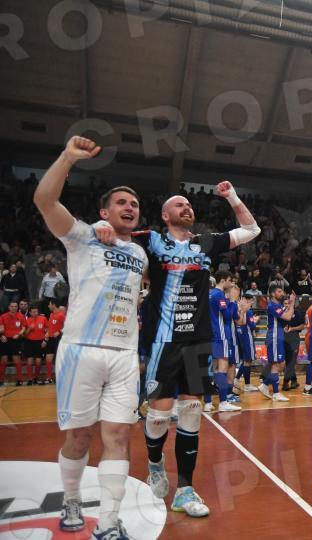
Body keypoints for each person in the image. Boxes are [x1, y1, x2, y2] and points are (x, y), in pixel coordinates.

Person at [34, 135, 148, 538]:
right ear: (104, 211)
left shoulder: (139, 254)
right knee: (79, 437)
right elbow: (45, 200)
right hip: (81, 350)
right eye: (121, 203)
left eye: (134, 204)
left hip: (123, 354)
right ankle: (71, 500)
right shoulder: (82, 235)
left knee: (118, 434)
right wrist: (68, 157)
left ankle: (110, 521)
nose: (130, 207)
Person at [129, 179, 259, 518]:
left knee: (190, 412)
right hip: (163, 340)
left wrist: (232, 196)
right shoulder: (150, 240)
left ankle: (185, 489)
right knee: (158, 415)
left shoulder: (205, 242)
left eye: (188, 205)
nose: (186, 207)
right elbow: (112, 234)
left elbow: (251, 230)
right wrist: (105, 229)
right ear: (164, 215)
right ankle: (154, 463)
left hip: (197, 342)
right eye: (179, 204)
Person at [209, 271, 241, 412]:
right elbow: (227, 316)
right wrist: (232, 301)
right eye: (230, 280)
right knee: (222, 369)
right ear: (223, 281)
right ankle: (223, 402)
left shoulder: (210, 294)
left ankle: (208, 402)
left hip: (211, 335)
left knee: (212, 369)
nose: (231, 283)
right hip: (220, 335)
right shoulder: (219, 295)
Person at [258, 285, 296, 402]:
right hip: (274, 338)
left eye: (282, 291)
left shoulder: (278, 306)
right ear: (273, 294)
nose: (282, 293)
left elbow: (288, 318)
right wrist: (292, 303)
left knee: (281, 364)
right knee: (277, 364)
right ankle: (275, 392)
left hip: (278, 337)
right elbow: (288, 317)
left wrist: (289, 307)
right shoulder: (272, 306)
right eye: (279, 291)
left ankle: (265, 384)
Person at [0, 301, 26, 385]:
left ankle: (19, 380)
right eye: (12, 306)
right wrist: (1, 336)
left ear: (17, 307)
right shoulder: (3, 316)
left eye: (15, 306)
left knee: (16, 360)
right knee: (3, 360)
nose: (14, 308)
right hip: (5, 340)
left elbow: (24, 328)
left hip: (16, 340)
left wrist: (18, 334)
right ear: (9, 307)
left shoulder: (21, 316)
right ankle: (1, 380)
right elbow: (1, 328)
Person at [22, 304, 48, 385]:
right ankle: (30, 379)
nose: (35, 313)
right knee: (29, 361)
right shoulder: (27, 320)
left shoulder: (43, 318)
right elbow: (24, 334)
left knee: (38, 362)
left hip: (40, 342)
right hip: (29, 342)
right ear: (30, 312)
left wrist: (45, 341)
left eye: (36, 311)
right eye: (33, 312)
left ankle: (36, 378)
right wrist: (29, 328)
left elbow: (48, 331)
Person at [44, 298, 66, 384]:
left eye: (49, 304)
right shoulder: (51, 314)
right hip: (50, 339)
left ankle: (60, 378)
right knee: (48, 359)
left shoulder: (61, 315)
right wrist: (47, 335)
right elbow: (51, 327)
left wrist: (59, 331)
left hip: (58, 339)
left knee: (58, 359)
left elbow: (68, 325)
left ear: (53, 305)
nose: (48, 306)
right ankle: (49, 378)